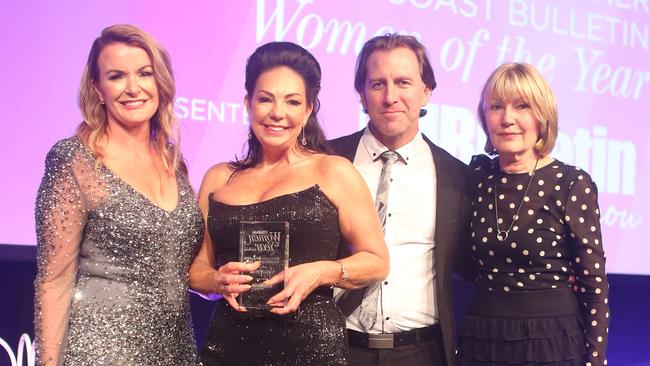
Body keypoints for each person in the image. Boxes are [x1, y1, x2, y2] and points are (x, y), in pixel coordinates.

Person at [188, 41, 389, 366]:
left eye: (292, 101)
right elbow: (196, 270)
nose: (277, 113)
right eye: (265, 99)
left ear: (308, 109)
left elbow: (377, 261)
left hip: (310, 349)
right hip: (227, 347)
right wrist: (216, 280)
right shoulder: (218, 178)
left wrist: (323, 271)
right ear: (248, 103)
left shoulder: (333, 171)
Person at [34, 24, 204, 365]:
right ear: (98, 89)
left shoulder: (174, 163)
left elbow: (184, 268)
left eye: (144, 73)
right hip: (102, 351)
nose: (133, 88)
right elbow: (53, 279)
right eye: (116, 76)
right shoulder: (75, 160)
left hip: (175, 351)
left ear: (160, 81)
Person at [329, 33, 472, 366]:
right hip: (336, 349)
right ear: (361, 95)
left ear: (426, 92)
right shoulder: (327, 160)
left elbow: (473, 264)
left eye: (403, 82)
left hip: (422, 353)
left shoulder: (458, 177)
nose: (390, 96)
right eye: (378, 84)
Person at [455, 63, 610, 365]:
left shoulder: (571, 184)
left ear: (542, 116)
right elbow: (463, 262)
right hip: (481, 340)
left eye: (522, 106)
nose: (507, 119)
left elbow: (594, 285)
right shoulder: (476, 177)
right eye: (496, 106)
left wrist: (595, 360)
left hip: (552, 342)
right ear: (484, 117)